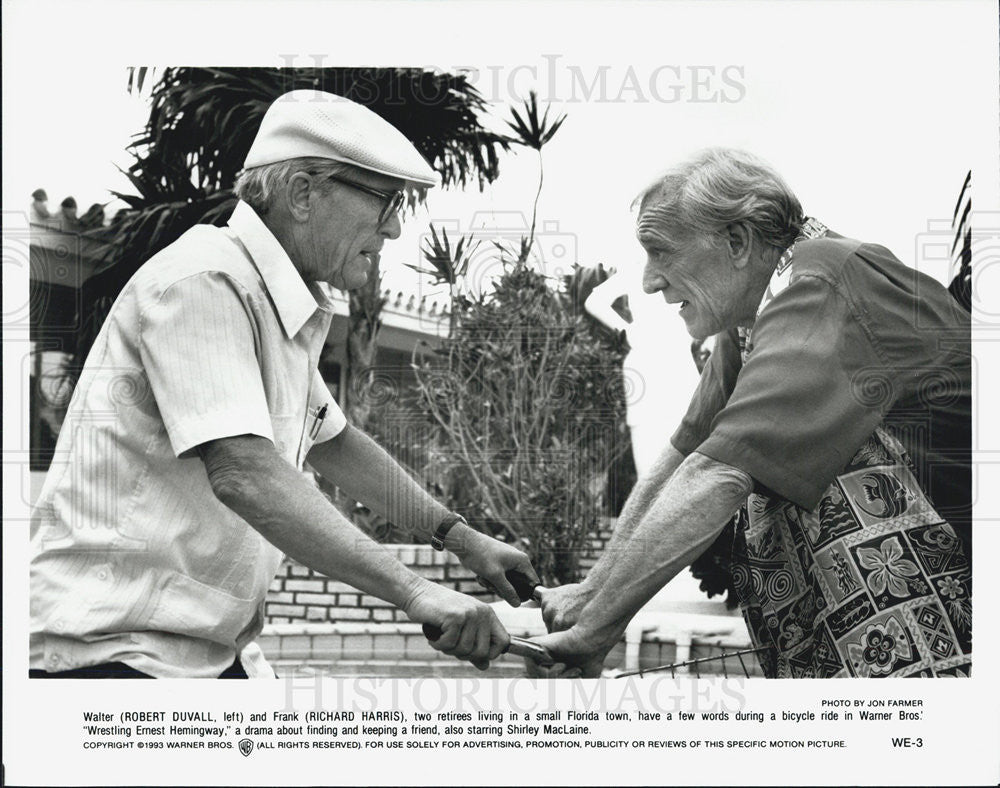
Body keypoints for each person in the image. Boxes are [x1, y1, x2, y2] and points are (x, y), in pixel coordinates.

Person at [29, 90, 538, 679]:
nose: (395, 227)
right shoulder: (204, 282)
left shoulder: (274, 302)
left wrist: (462, 538)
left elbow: (337, 444)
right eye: (384, 200)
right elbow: (246, 474)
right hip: (110, 652)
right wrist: (417, 593)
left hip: (197, 652)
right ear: (302, 194)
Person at [534, 148, 971, 678]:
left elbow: (719, 474)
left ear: (737, 243)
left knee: (768, 466)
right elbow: (687, 455)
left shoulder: (818, 282)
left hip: (963, 582)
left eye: (660, 252)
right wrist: (592, 592)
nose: (649, 282)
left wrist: (596, 629)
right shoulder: (750, 318)